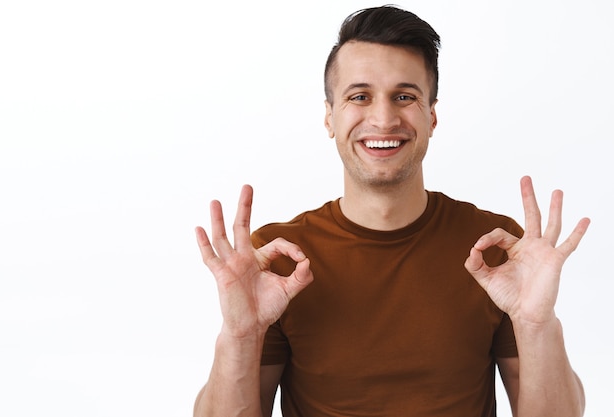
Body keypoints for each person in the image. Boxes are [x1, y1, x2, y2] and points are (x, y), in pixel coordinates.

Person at [193, 6, 590, 417]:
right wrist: (240, 334)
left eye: (404, 96)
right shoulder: (278, 258)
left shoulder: (495, 248)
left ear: (431, 116)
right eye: (359, 96)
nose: (383, 119)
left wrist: (537, 324)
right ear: (330, 116)